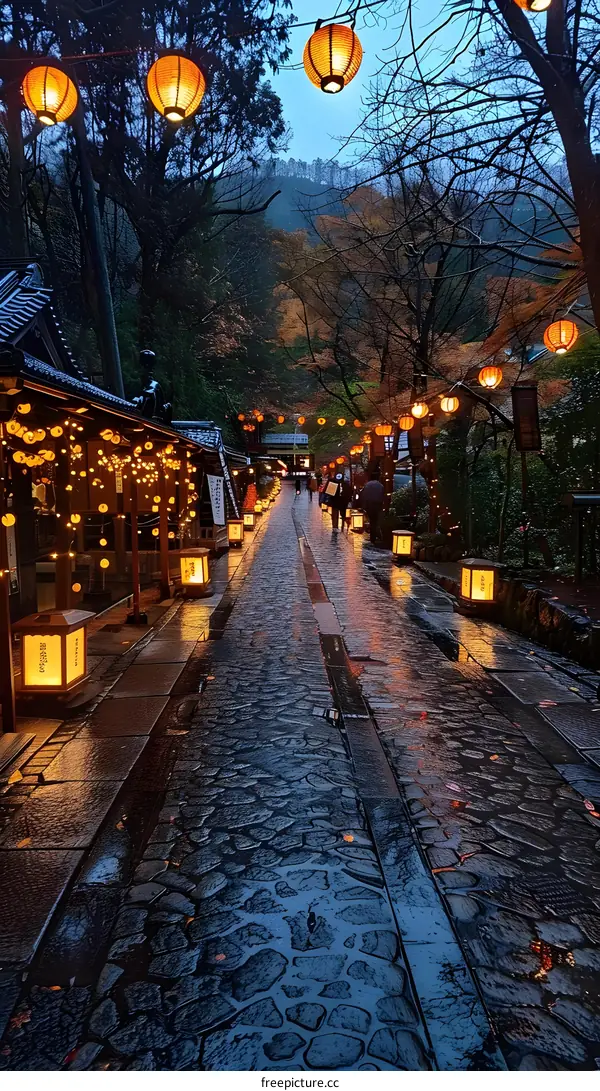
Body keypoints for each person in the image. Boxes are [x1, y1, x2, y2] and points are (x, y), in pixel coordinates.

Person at [360, 471, 385, 544]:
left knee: (372, 520)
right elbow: (383, 495)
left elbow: (363, 495)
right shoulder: (380, 485)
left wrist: (363, 505)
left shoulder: (367, 485)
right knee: (375, 521)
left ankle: (373, 537)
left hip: (369, 505)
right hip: (377, 504)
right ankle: (375, 536)